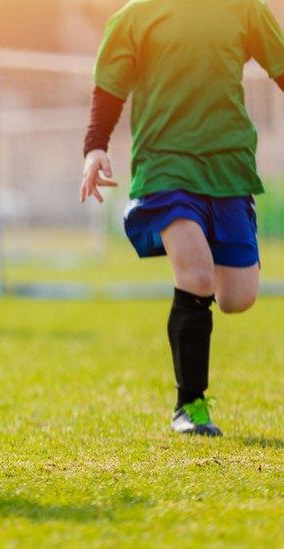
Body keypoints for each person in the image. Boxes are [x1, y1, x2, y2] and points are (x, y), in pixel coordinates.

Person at [81, 0, 284, 436]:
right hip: (165, 163)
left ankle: (215, 251)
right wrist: (95, 147)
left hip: (229, 165)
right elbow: (109, 88)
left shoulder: (245, 8)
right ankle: (189, 406)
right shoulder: (135, 16)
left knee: (238, 297)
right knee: (196, 276)